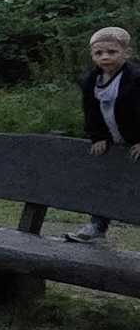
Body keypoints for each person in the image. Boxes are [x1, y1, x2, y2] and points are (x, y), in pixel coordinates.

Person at [64, 26, 139, 243]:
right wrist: (97, 137)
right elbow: (91, 112)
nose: (105, 57)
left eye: (112, 52)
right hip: (114, 140)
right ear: (92, 55)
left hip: (136, 141)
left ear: (126, 53)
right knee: (104, 179)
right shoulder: (91, 81)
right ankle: (97, 226)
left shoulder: (135, 79)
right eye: (99, 53)